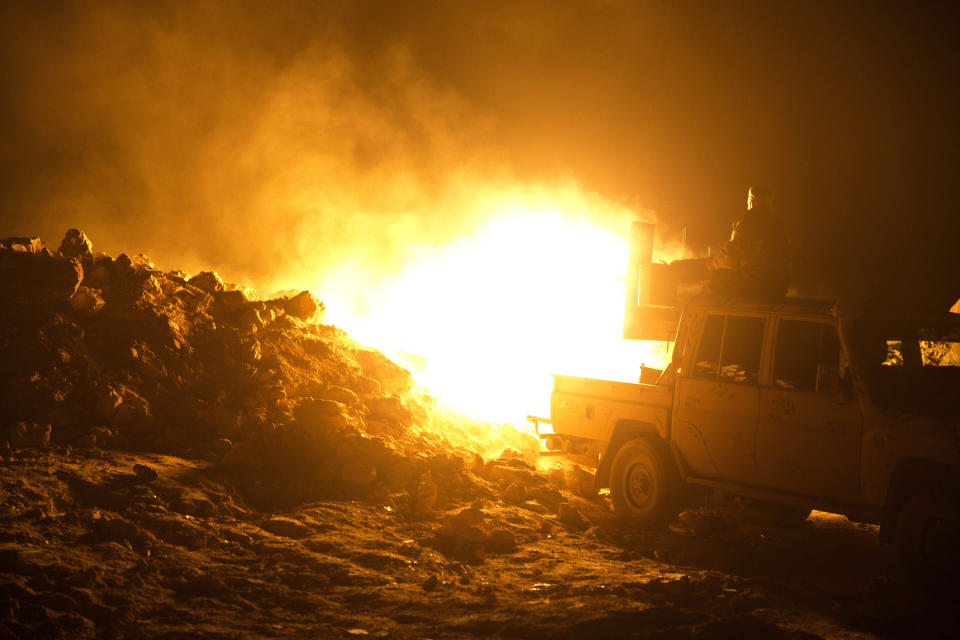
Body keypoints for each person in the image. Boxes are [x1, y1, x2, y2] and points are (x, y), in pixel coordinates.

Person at [706, 186, 790, 297]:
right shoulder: (780, 226)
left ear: (752, 202)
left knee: (714, 283)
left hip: (751, 287)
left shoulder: (747, 223)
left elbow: (730, 256)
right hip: (777, 289)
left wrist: (712, 263)